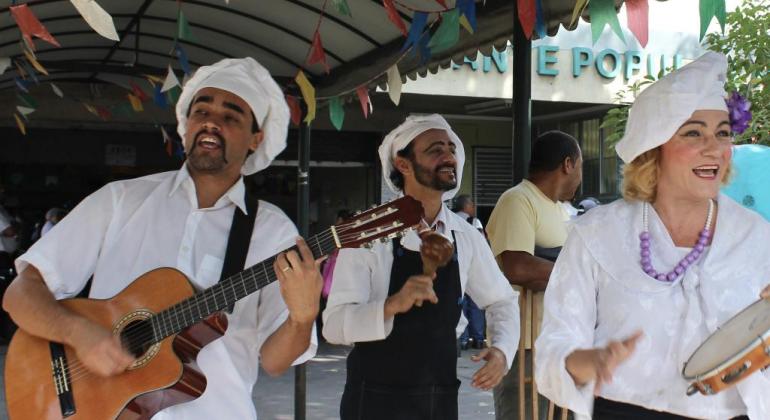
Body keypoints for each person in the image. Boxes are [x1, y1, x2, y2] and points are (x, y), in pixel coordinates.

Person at [2, 57, 322, 420]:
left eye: (231, 116)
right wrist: (79, 333)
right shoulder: (120, 200)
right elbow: (21, 292)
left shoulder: (273, 231)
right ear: (186, 127)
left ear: (256, 139)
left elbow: (276, 362)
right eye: (201, 111)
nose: (212, 122)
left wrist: (303, 315)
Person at [535, 51, 770, 420]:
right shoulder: (596, 234)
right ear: (653, 149)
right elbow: (555, 343)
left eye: (722, 133)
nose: (715, 148)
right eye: (694, 132)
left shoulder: (757, 237)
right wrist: (585, 361)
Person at [323, 114, 520, 420]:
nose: (448, 156)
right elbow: (333, 325)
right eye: (435, 150)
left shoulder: (465, 235)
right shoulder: (367, 233)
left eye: (451, 149)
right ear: (403, 164)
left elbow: (501, 301)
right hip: (373, 401)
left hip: (438, 400)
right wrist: (390, 306)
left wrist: (503, 350)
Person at [485, 130, 582, 420]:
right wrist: (577, 274)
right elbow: (518, 266)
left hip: (559, 343)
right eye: (580, 167)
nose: (580, 176)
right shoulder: (518, 200)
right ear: (567, 164)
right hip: (524, 345)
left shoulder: (561, 210)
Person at [452, 194, 486, 350]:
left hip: (455, 267)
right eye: (472, 204)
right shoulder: (475, 222)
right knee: (476, 304)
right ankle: (478, 339)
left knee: (460, 303)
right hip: (473, 266)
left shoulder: (449, 218)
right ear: (466, 206)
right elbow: (482, 243)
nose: (474, 207)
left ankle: (463, 339)